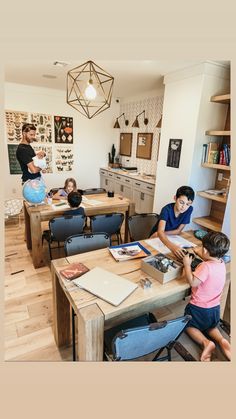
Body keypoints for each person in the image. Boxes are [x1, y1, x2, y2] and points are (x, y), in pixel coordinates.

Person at [182, 231, 231, 362]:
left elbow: (192, 281)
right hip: (214, 309)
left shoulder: (205, 266)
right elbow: (210, 263)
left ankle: (205, 343)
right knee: (210, 327)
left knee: (188, 325)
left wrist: (187, 264)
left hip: (199, 309)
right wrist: (200, 252)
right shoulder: (221, 263)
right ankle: (221, 340)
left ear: (204, 250)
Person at [150, 185, 195, 258]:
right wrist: (172, 247)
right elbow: (160, 231)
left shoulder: (189, 209)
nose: (184, 207)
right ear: (175, 198)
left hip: (169, 236)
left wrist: (161, 233)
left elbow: (178, 231)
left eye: (188, 204)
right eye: (181, 202)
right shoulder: (166, 210)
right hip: (155, 237)